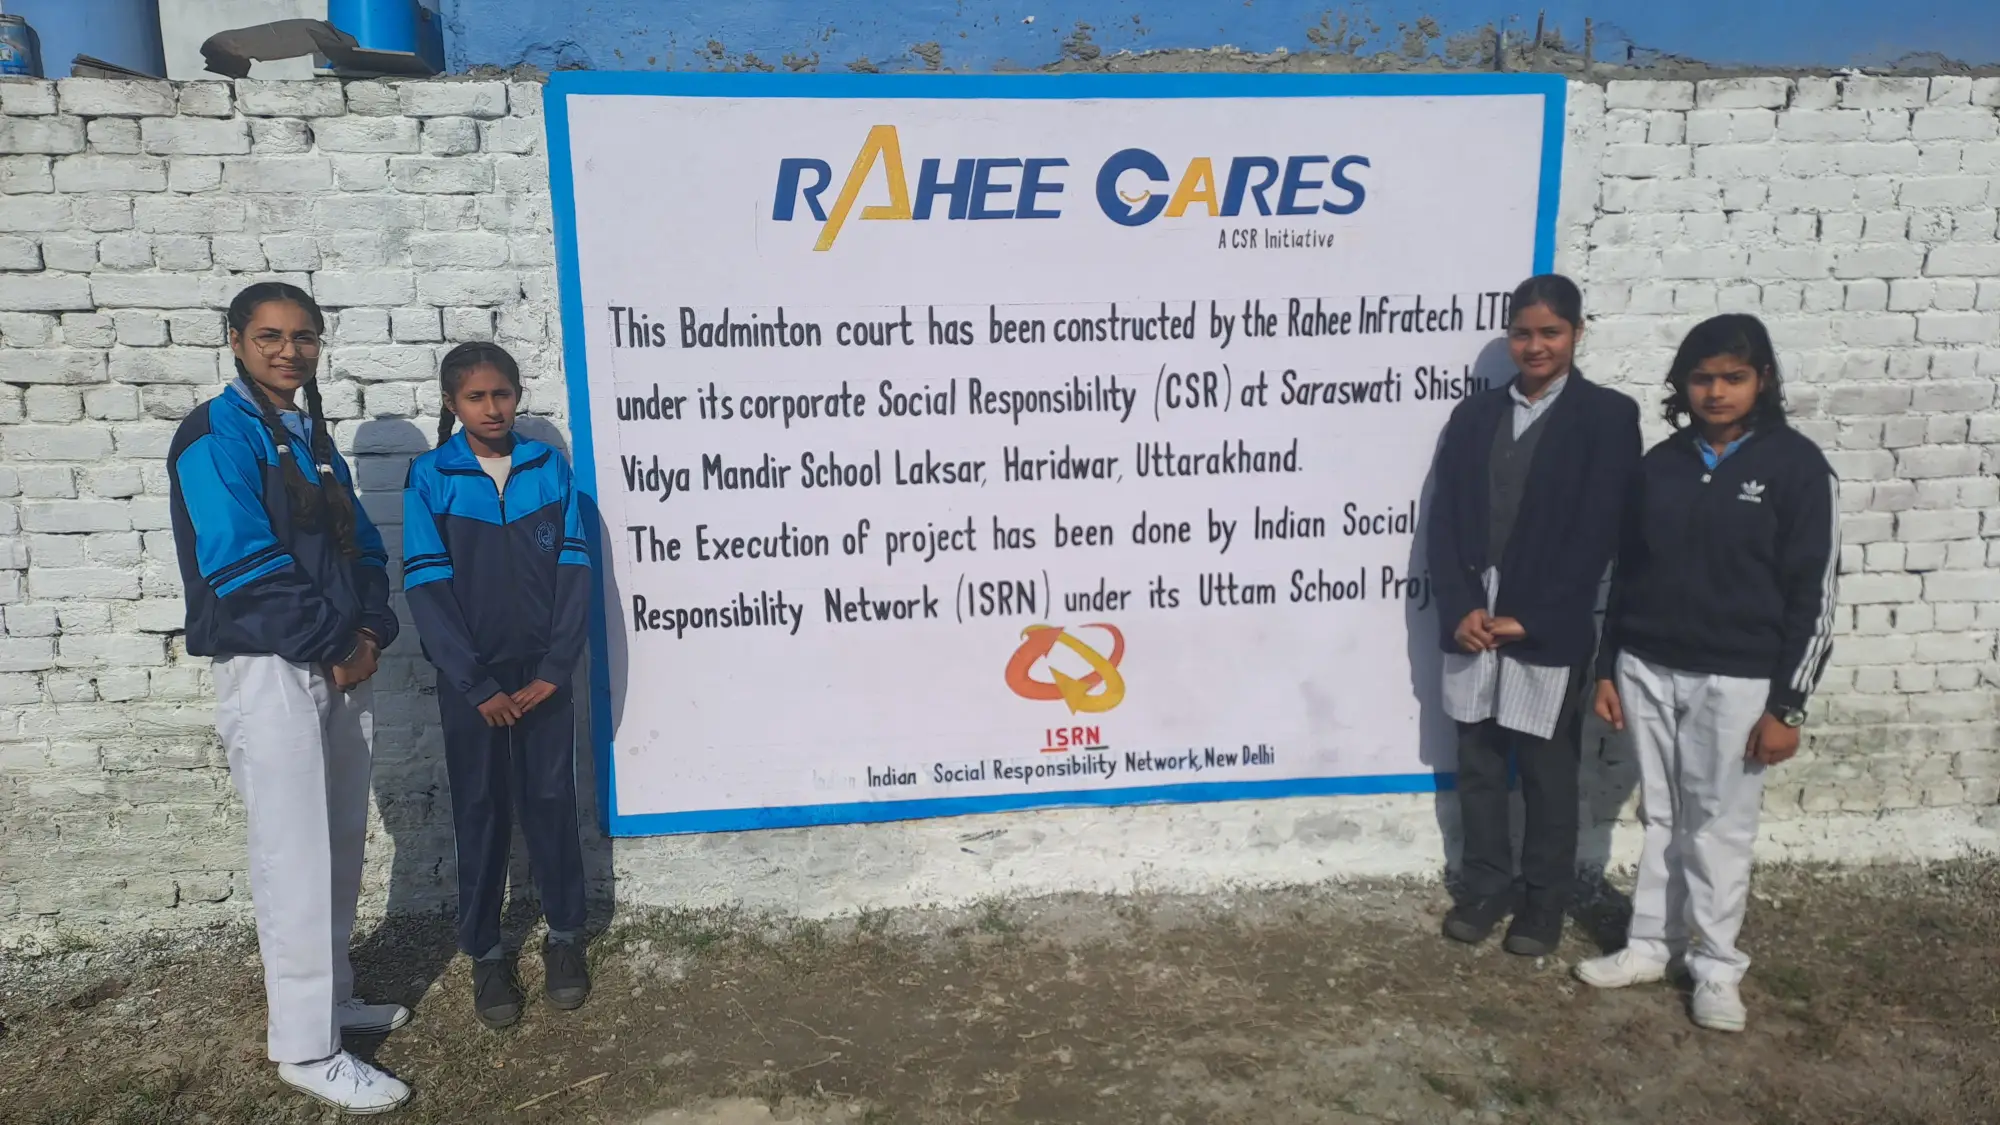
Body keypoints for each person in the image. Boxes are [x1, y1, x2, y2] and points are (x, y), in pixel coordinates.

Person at [167, 282, 412, 1113]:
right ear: (236, 339)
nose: (289, 351)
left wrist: (369, 629)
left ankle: (331, 997)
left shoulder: (309, 436)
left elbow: (363, 546)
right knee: (293, 854)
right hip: (270, 663)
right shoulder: (215, 433)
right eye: (270, 335)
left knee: (337, 838)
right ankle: (307, 1049)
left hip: (339, 659)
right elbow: (238, 561)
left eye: (304, 336)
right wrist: (336, 642)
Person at [1575, 314, 1837, 1033]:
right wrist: (1607, 667)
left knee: (1718, 825)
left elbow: (1815, 593)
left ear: (1763, 380)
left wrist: (1788, 705)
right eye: (1702, 378)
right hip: (1647, 666)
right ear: (1682, 385)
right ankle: (1649, 945)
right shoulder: (1661, 464)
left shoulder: (1797, 466)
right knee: (1661, 816)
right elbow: (1626, 573)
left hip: (1739, 677)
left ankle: (1717, 968)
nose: (1716, 392)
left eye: (1733, 377)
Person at [1428, 274, 1641, 957]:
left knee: (1548, 768)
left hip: (1547, 619)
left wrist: (1536, 616)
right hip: (1476, 611)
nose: (1535, 346)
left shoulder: (1606, 417)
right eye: (1522, 333)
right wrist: (1460, 606)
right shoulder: (1474, 417)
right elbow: (1444, 521)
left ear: (1578, 333)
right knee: (1480, 759)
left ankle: (1544, 900)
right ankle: (1486, 885)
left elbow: (1600, 530)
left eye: (1551, 332)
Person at [402, 342, 594, 1030]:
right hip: (474, 686)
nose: (492, 408)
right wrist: (474, 682)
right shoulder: (432, 476)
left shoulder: (549, 468)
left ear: (517, 395)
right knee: (480, 809)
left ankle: (565, 936)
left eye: (502, 394)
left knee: (551, 800)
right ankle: (485, 950)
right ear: (452, 403)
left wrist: (554, 669)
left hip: (541, 677)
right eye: (476, 397)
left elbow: (575, 568)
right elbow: (425, 582)